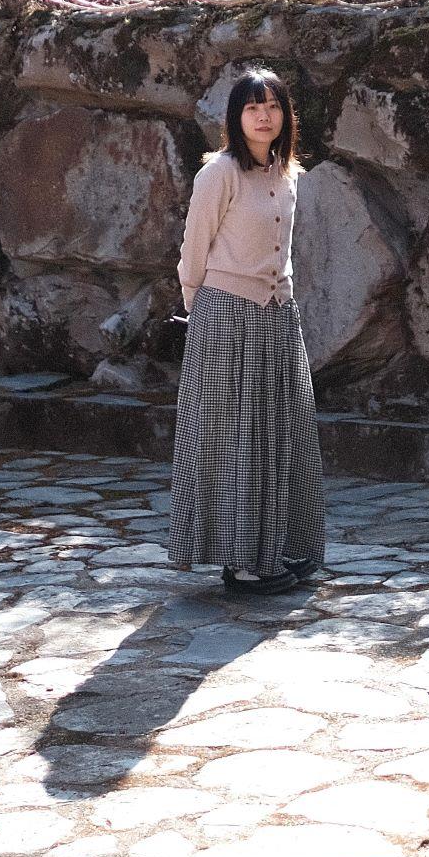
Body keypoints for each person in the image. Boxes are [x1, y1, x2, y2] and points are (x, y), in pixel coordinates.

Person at [167, 66, 325, 595]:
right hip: (226, 316)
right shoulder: (220, 174)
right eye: (253, 107)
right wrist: (201, 312)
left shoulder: (287, 174)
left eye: (274, 106)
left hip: (278, 316)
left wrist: (282, 300)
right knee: (235, 441)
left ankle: (277, 547)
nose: (264, 116)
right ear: (236, 117)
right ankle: (239, 562)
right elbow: (194, 249)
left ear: (286, 115)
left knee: (282, 434)